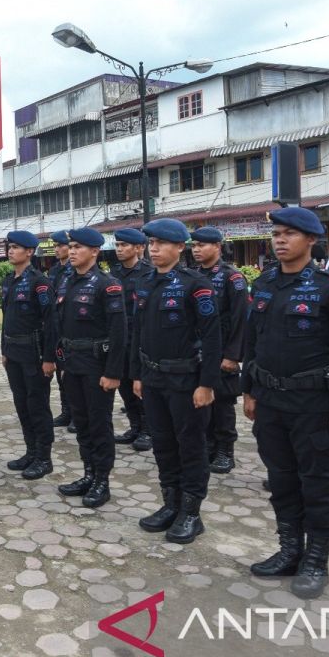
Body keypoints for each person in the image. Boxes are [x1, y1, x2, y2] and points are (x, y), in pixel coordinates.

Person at [242, 207, 329, 599]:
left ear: (311, 240)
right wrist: (248, 390)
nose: (280, 240)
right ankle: (290, 549)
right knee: (281, 479)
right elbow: (252, 342)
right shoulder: (263, 284)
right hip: (271, 401)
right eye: (276, 234)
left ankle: (316, 560)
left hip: (314, 404)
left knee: (318, 483)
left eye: (290, 234)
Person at [132, 219, 222, 543]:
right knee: (163, 444)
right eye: (151, 243)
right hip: (153, 378)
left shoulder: (195, 285)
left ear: (179, 248)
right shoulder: (144, 283)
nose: (153, 249)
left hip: (187, 380)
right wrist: (138, 375)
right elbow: (137, 333)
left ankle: (191, 512)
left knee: (191, 446)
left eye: (160, 243)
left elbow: (213, 339)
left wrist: (207, 384)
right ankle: (170, 504)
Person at [53, 228, 127, 507]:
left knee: (99, 425)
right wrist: (61, 361)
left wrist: (113, 373)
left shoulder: (107, 285)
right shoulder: (66, 282)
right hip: (72, 364)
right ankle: (88, 474)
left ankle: (102, 481)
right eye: (71, 247)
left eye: (79, 247)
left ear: (95, 252)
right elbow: (60, 327)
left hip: (97, 366)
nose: (72, 251)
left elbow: (119, 332)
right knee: (81, 424)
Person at [189, 227, 250, 474]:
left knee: (223, 402)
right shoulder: (192, 276)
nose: (196, 250)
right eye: (193, 245)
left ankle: (225, 450)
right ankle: (208, 445)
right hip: (198, 350)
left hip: (223, 349)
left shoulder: (231, 278)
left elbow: (240, 319)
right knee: (202, 402)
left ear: (217, 246)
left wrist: (233, 355)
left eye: (202, 245)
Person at [0, 231, 57, 480]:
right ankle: (30, 452)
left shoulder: (40, 282)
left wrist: (49, 358)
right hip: (13, 352)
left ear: (30, 252)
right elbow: (7, 320)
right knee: (21, 404)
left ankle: (44, 458)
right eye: (10, 247)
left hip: (34, 353)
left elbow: (51, 323)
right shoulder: (9, 280)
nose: (11, 251)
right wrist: (4, 350)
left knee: (37, 406)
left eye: (16, 248)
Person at [112, 228, 153, 451]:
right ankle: (135, 426)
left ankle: (148, 430)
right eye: (117, 245)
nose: (119, 249)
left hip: (142, 340)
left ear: (139, 248)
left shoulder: (149, 273)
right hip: (121, 339)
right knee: (125, 386)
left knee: (141, 387)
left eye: (124, 245)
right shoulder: (115, 273)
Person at [47, 231, 75, 432]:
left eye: (60, 245)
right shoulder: (55, 270)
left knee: (72, 374)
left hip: (72, 328)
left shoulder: (76, 270)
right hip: (56, 327)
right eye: (55, 246)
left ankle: (76, 413)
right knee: (61, 374)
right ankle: (66, 411)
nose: (57, 249)